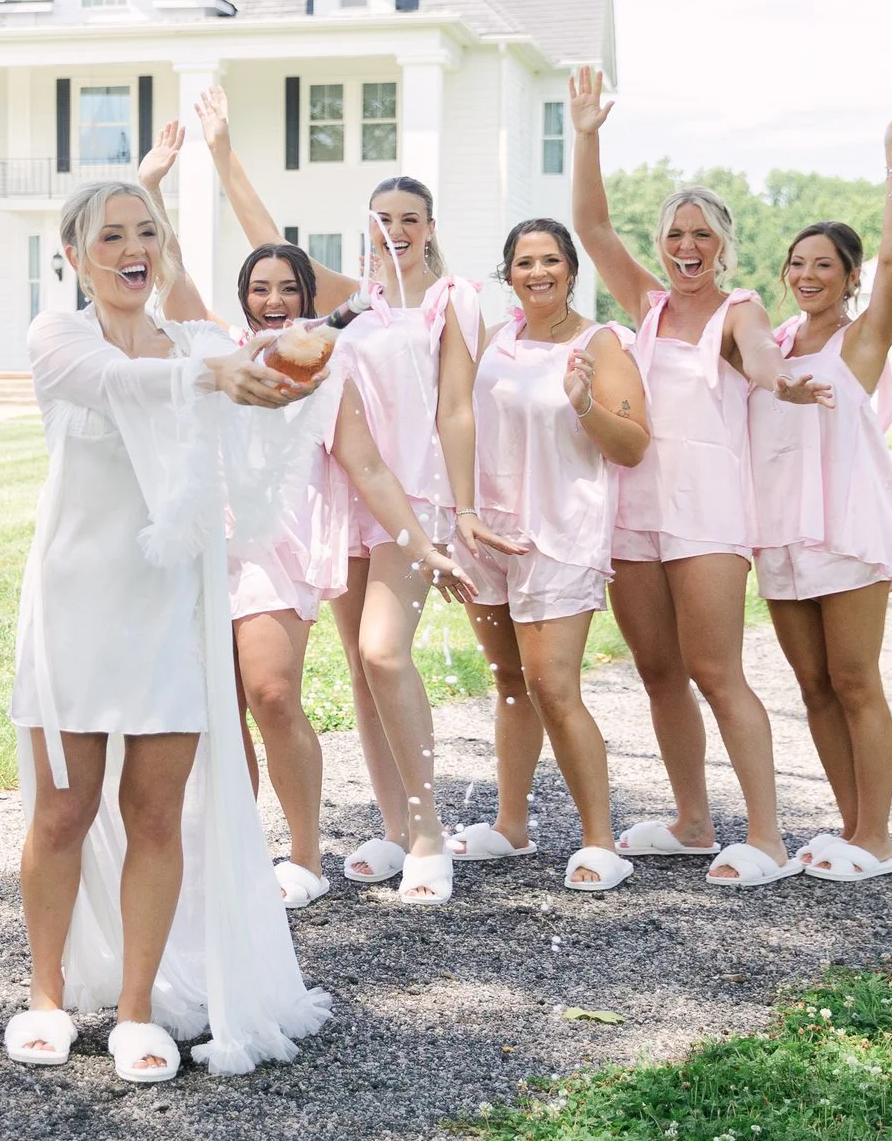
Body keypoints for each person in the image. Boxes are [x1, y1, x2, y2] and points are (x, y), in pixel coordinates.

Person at [3, 175, 335, 1084]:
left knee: (157, 810)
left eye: (145, 231)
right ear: (74, 254)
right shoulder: (58, 336)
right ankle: (44, 994)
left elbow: (262, 397)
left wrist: (291, 369)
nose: (129, 249)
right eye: (109, 235)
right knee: (64, 806)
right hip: (75, 600)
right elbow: (118, 383)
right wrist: (211, 372)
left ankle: (138, 1008)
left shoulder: (197, 339)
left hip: (170, 607)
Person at [144, 109, 473, 908]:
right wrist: (167, 175)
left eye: (408, 219)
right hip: (237, 536)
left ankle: (410, 836)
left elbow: (382, 450)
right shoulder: (243, 340)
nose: (274, 298)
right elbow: (175, 267)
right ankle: (350, 834)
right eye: (261, 288)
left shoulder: (343, 353)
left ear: (430, 228)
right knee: (305, 683)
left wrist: (434, 534)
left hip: (345, 517)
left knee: (316, 678)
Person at [566, 66, 828, 889]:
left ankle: (769, 837)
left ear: (723, 245)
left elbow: (760, 359)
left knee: (717, 670)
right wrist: (587, 133)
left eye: (701, 237)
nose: (686, 249)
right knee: (656, 670)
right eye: (676, 235)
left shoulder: (737, 308)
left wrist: (780, 380)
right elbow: (590, 223)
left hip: (707, 515)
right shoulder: (643, 303)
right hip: (635, 506)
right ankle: (689, 819)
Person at [444, 221, 653, 892]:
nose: (539, 271)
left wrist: (585, 401)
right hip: (490, 531)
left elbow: (632, 446)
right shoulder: (494, 340)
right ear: (509, 274)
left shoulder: (602, 342)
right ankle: (511, 826)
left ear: (570, 270)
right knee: (508, 678)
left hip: (561, 532)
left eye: (552, 260)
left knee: (553, 685)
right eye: (525, 262)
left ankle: (600, 840)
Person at [751, 109, 892, 882]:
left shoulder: (860, 340)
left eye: (824, 264)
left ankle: (879, 839)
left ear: (849, 276)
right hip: (781, 534)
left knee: (856, 679)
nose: (808, 275)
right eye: (797, 263)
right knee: (813, 684)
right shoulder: (774, 344)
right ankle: (852, 826)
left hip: (846, 529)